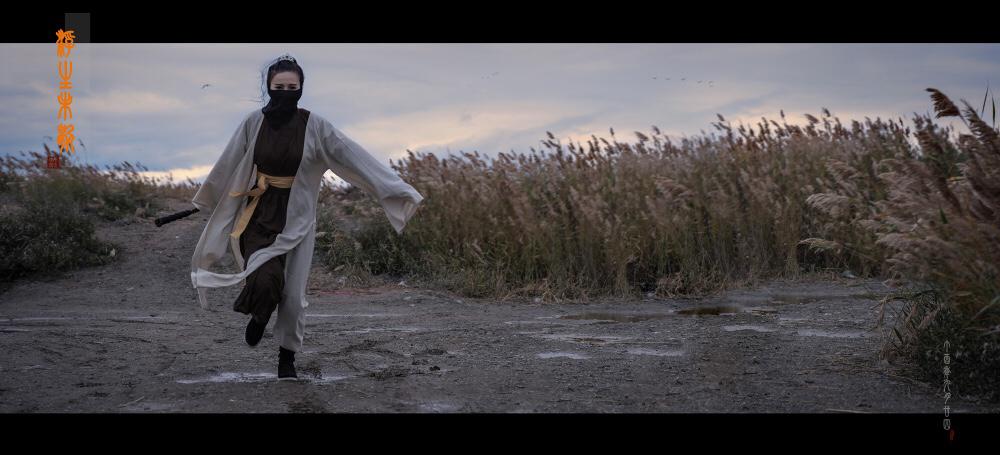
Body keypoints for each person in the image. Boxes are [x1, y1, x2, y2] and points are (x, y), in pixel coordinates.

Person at [190, 53, 424, 380]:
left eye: (292, 87)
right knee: (264, 278)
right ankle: (260, 316)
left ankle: (286, 359)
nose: (285, 92)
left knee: (293, 298)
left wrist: (397, 189)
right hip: (257, 215)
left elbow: (354, 157)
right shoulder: (253, 123)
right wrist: (206, 201)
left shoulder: (315, 126)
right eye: (279, 87)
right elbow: (229, 162)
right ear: (268, 87)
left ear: (301, 88)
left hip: (297, 220)